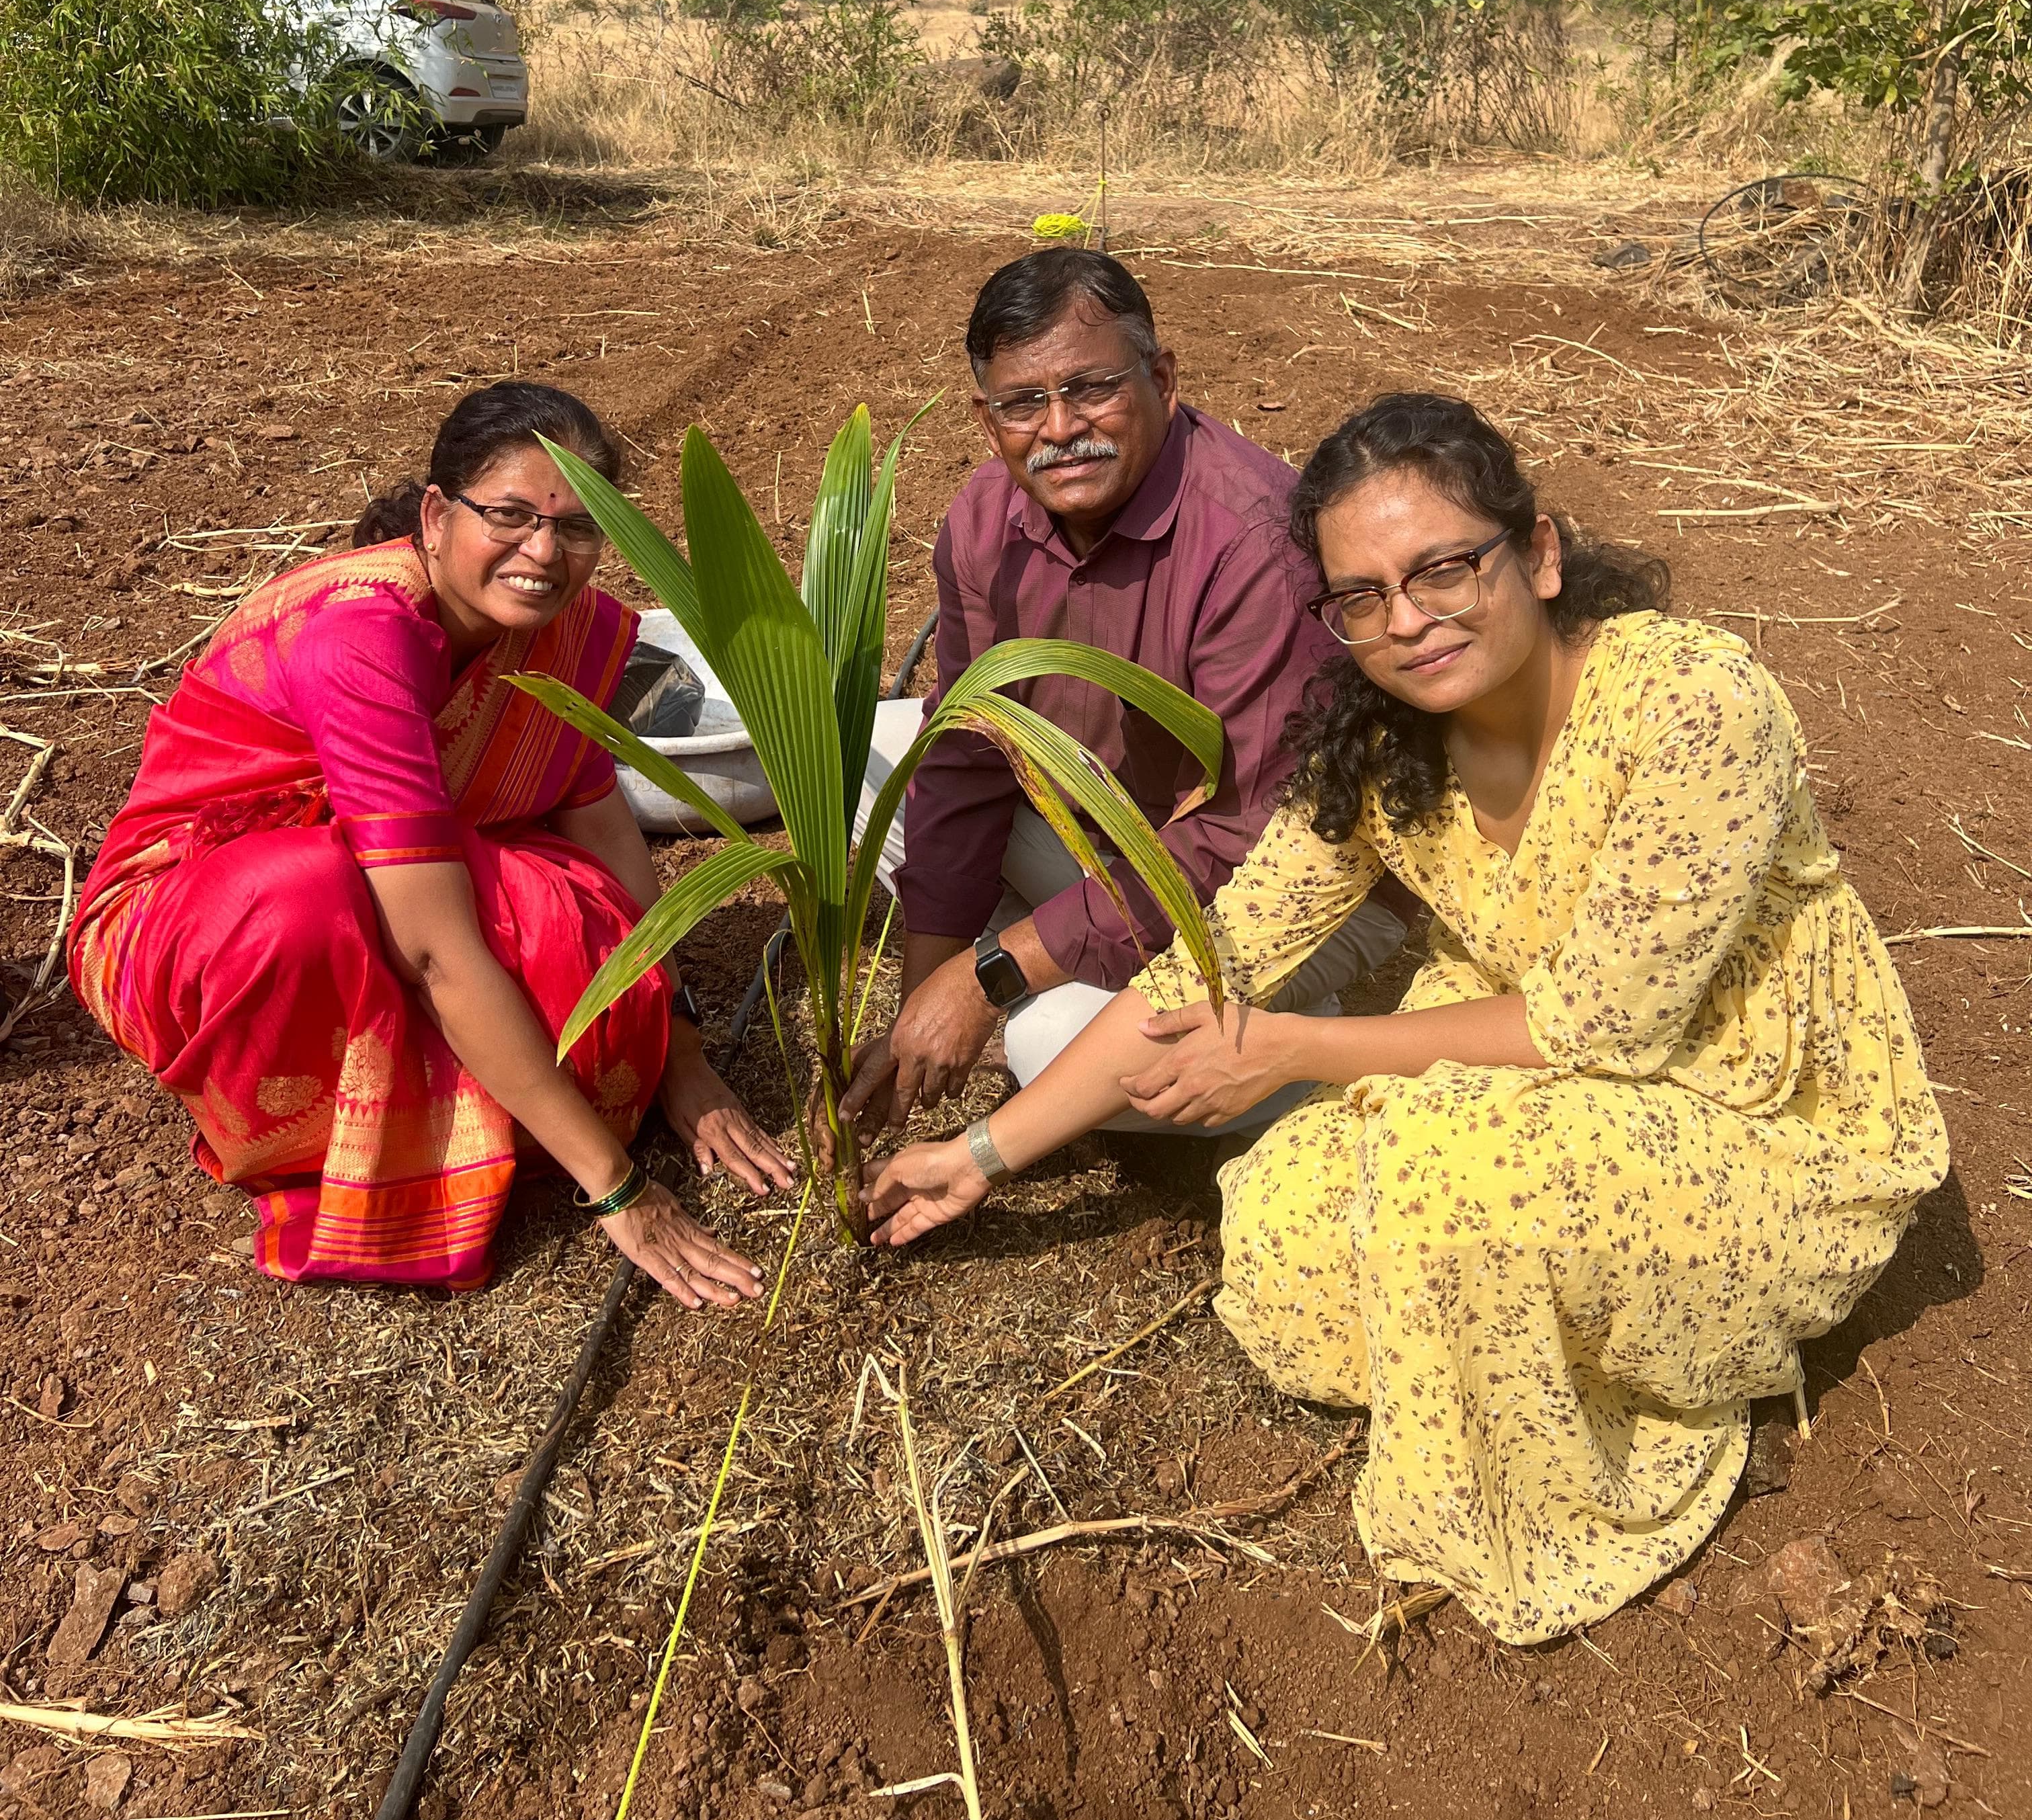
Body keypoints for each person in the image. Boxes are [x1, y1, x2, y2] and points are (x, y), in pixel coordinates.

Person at [867, 391, 1947, 1643]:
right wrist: (979, 1156)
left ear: (1537, 554)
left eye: (1444, 568)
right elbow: (1205, 966)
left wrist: (1295, 1047)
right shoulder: (1383, 746)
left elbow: (1610, 1027)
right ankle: (1552, 1329)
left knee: (1440, 1186)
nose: (1408, 620)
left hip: (1742, 1100)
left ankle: (1669, 1344)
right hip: (1516, 1058)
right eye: (1362, 598)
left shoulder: (1692, 701)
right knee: (1279, 1239)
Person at [71, 382, 791, 1302]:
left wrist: (680, 1052)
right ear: (439, 514)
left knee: (583, 941)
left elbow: (606, 834)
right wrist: (619, 1190)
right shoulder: (359, 638)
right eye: (512, 516)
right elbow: (432, 947)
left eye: (577, 529)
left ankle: (464, 1082)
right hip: (194, 914)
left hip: (402, 881)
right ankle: (321, 1129)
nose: (544, 553)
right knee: (307, 899)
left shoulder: (565, 633)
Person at [843, 247, 1407, 1142]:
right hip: (1113, 837)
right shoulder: (986, 520)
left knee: (1052, 1048)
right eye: (1025, 404)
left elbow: (1248, 836)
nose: (1063, 427)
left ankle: (1298, 1046)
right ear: (990, 424)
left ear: (1163, 379)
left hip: (1286, 882)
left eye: (1093, 387)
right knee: (869, 757)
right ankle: (1090, 951)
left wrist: (993, 974)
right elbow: (966, 758)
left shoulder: (1256, 542)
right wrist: (927, 998)